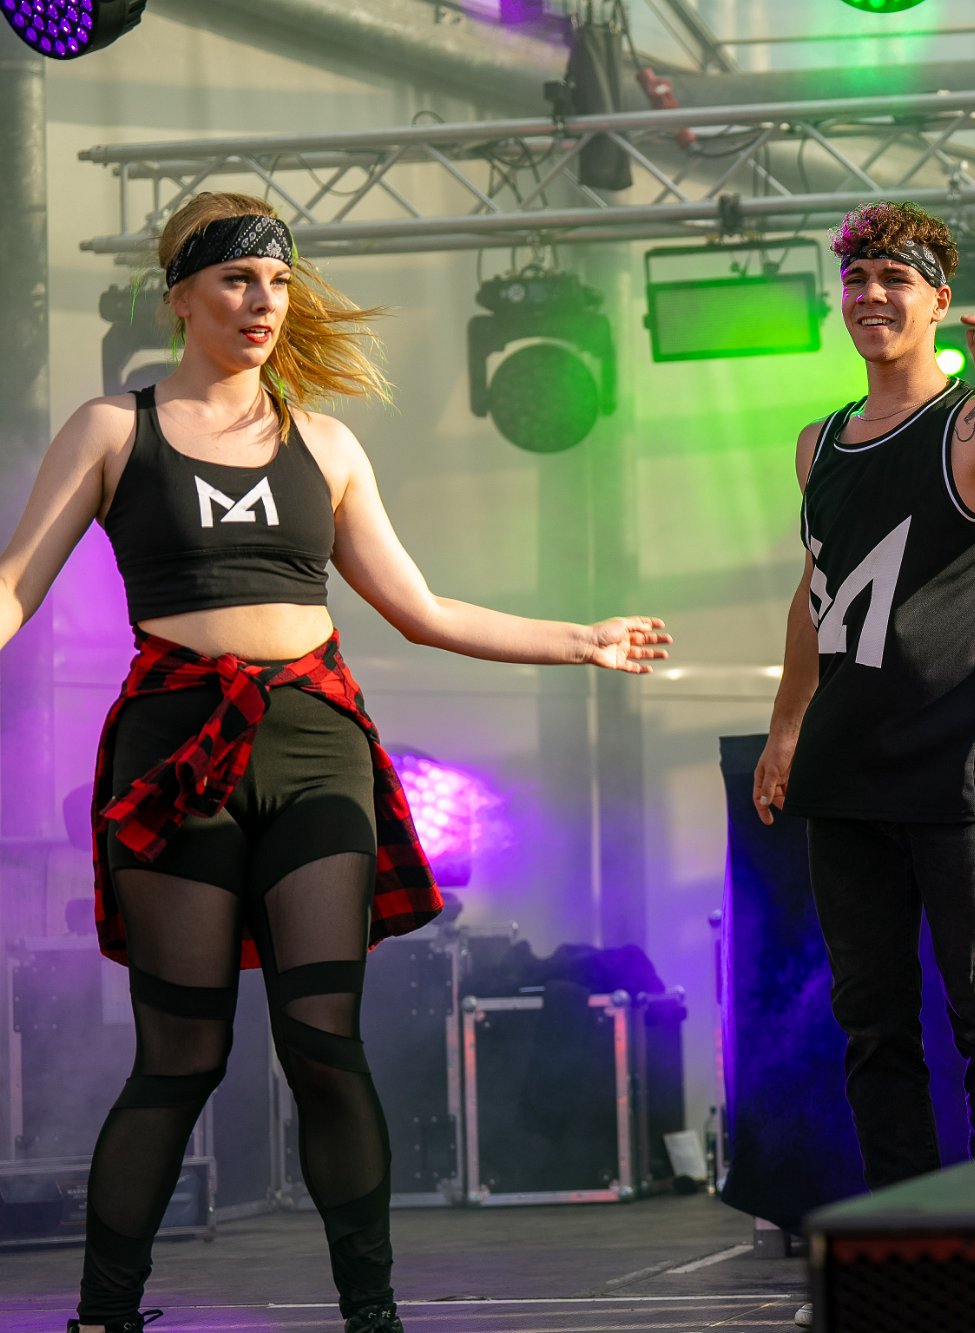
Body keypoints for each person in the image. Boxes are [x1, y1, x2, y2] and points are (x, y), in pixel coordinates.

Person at [0, 192, 669, 1333]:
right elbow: (16, 583)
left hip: (315, 743)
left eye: (276, 281)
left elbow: (418, 606)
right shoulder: (114, 428)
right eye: (236, 280)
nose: (263, 301)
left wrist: (581, 639)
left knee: (324, 1043)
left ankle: (372, 1313)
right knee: (182, 1054)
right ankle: (104, 1314)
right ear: (180, 296)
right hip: (178, 748)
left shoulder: (325, 442)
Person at [752, 202, 975, 1200]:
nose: (870, 296)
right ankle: (901, 1235)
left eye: (894, 280)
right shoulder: (818, 442)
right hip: (844, 778)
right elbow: (815, 588)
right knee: (872, 1028)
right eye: (856, 280)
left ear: (939, 300)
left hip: (960, 775)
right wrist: (786, 727)